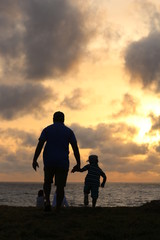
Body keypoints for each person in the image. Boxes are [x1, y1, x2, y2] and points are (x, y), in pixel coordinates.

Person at [32, 111, 81, 212]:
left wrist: (35, 159)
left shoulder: (47, 130)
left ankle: (48, 203)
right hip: (62, 163)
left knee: (47, 183)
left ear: (53, 119)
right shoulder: (69, 131)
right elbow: (75, 148)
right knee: (60, 186)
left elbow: (40, 144)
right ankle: (58, 208)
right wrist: (78, 163)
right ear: (63, 119)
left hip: (49, 161)